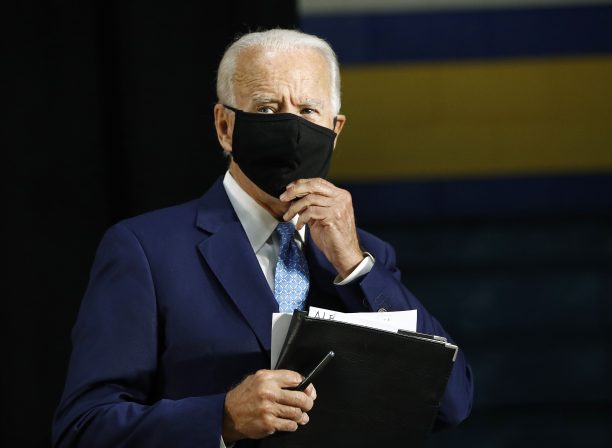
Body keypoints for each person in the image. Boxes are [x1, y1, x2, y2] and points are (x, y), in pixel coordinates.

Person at [52, 28, 473, 447]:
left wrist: (355, 267)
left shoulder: (368, 256)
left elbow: (449, 403)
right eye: (268, 109)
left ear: (336, 128)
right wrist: (221, 419)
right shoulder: (144, 251)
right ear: (224, 126)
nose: (291, 127)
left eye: (308, 110)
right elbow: (83, 429)